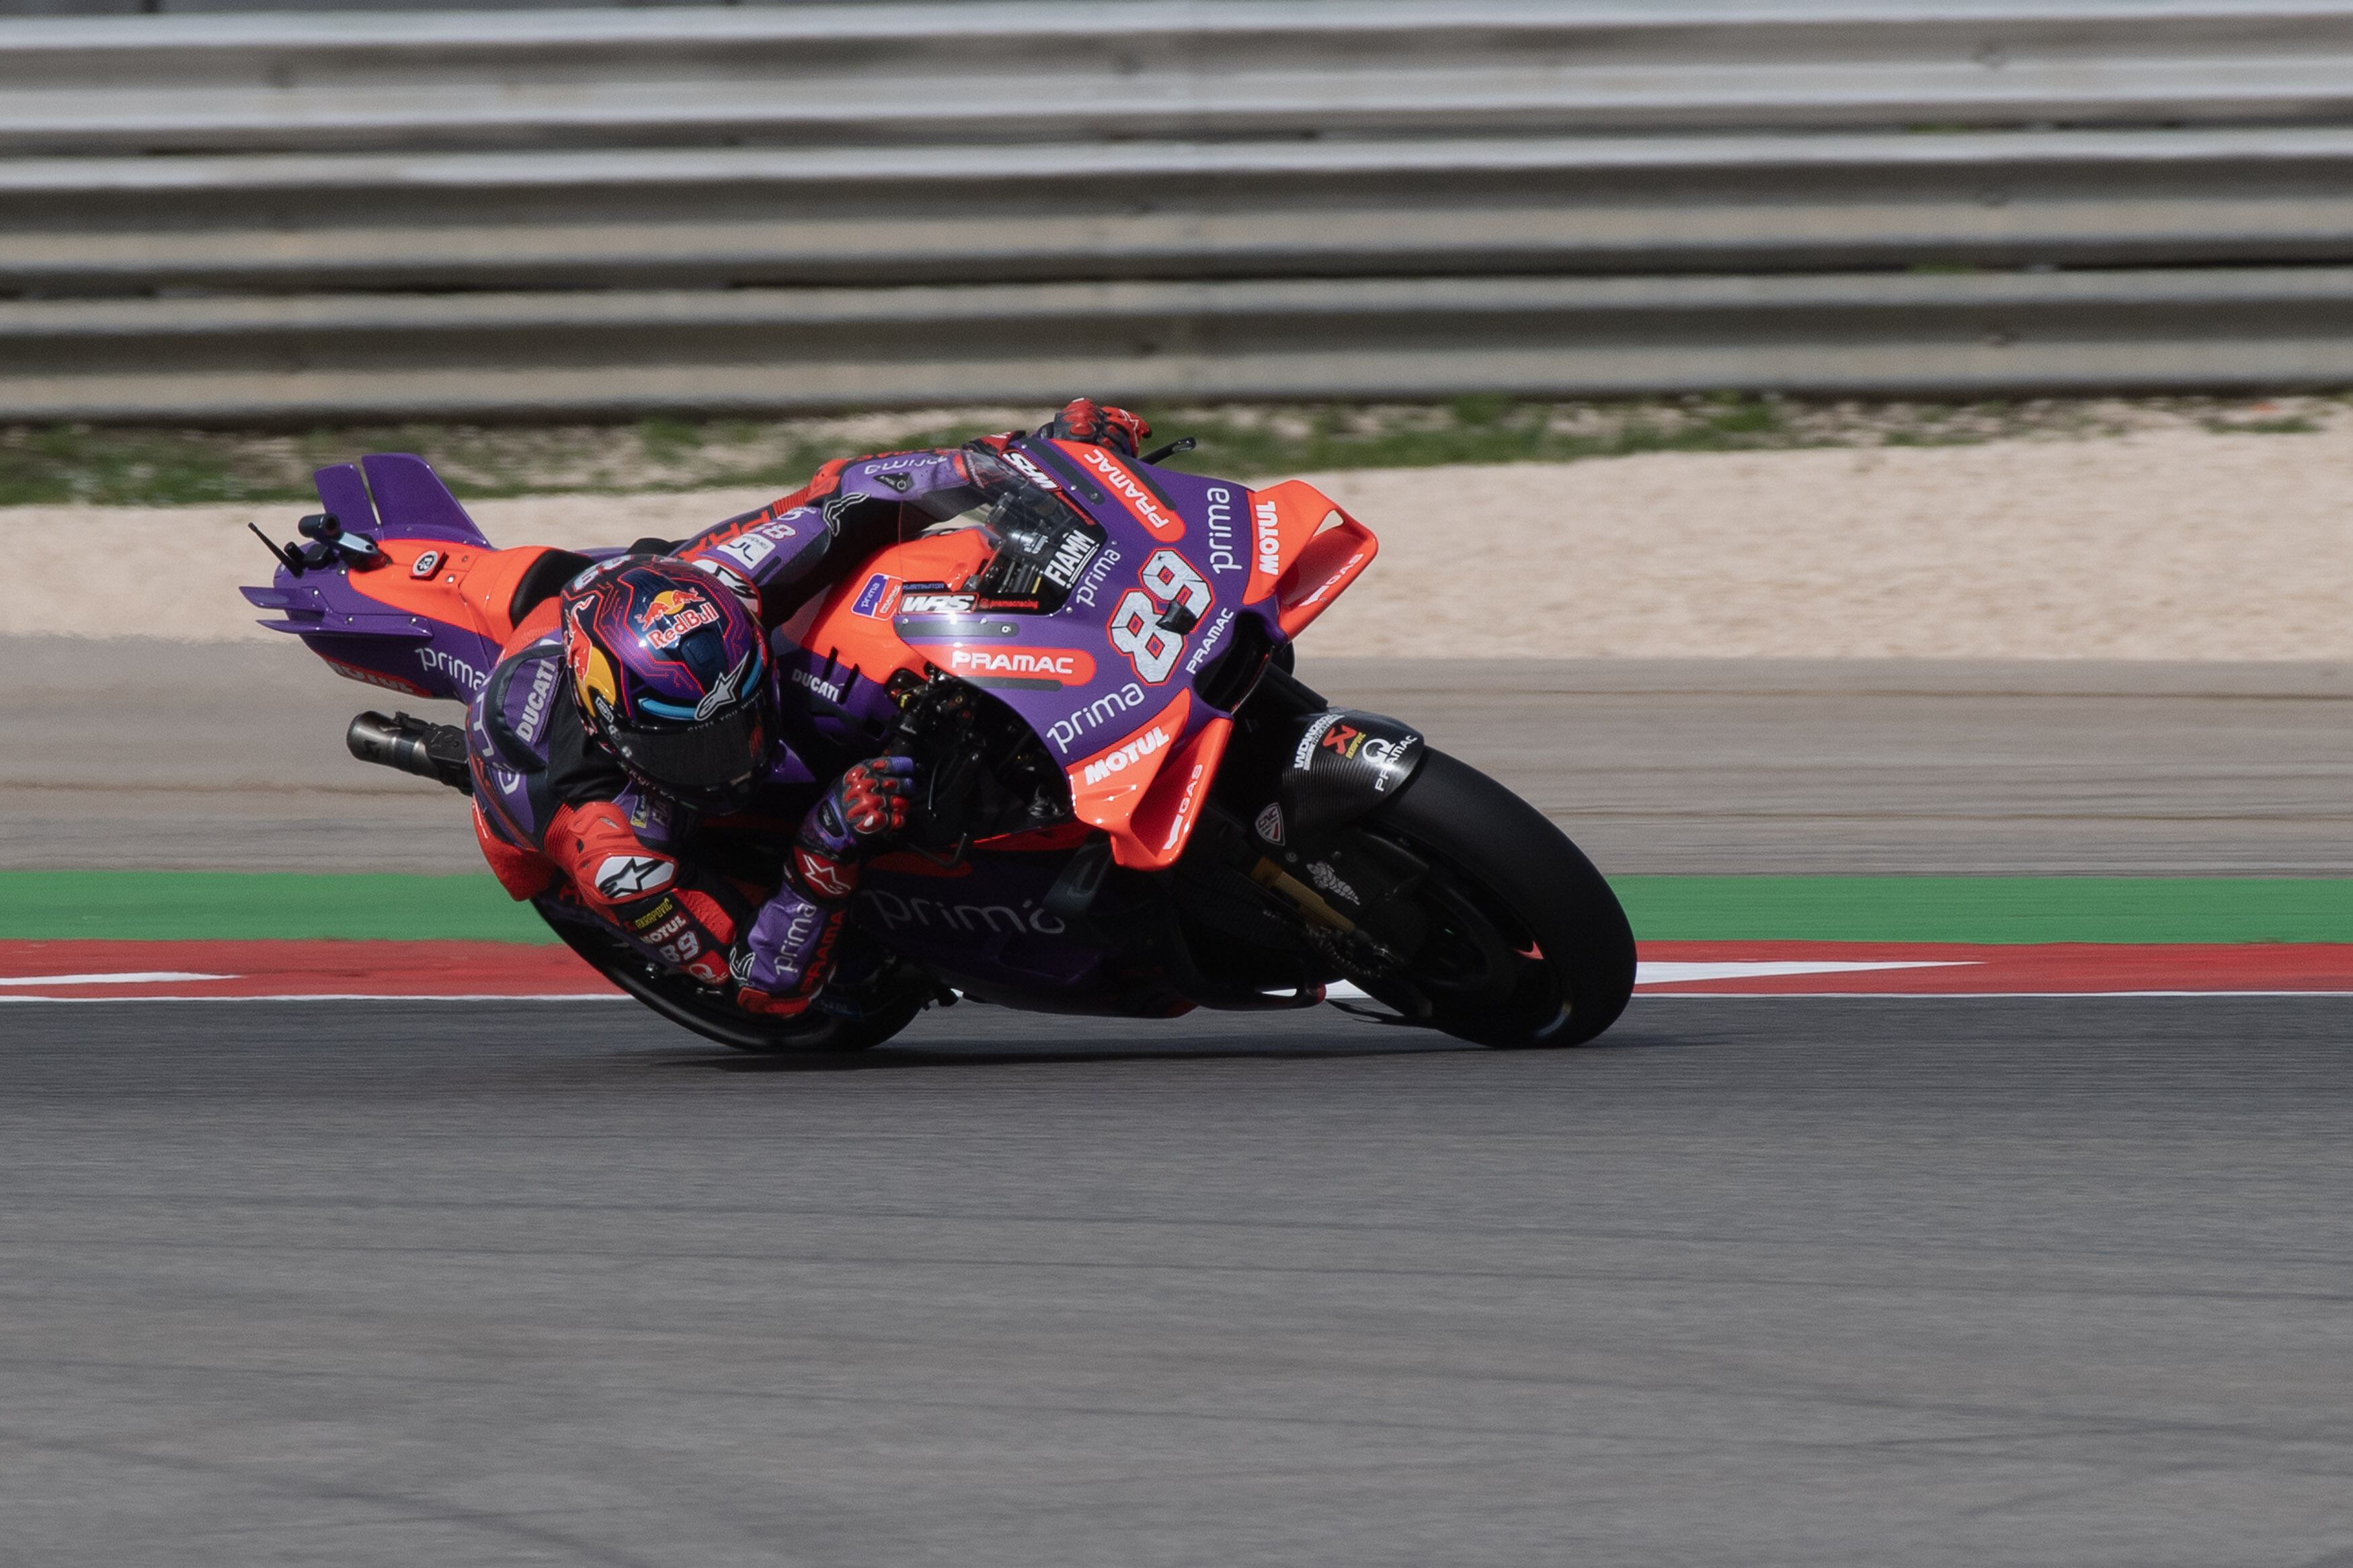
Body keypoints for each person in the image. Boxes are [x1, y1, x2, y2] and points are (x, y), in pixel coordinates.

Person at [464, 399, 1153, 1019]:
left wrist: (1033, 458)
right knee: (849, 976)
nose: (733, 759)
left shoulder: (729, 580)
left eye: (741, 718)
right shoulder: (611, 846)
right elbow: (760, 984)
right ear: (620, 737)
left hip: (630, 601)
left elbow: (851, 490)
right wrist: (825, 843)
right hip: (583, 811)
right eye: (699, 747)